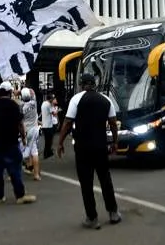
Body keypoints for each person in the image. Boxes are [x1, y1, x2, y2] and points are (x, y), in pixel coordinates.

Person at [57, 73, 121, 230]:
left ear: (81, 84)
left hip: (83, 147)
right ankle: (113, 213)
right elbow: (113, 123)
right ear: (94, 84)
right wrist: (115, 141)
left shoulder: (76, 99)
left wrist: (60, 142)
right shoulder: (106, 100)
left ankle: (92, 218)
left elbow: (67, 122)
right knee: (105, 180)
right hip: (100, 146)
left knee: (86, 183)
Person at [0, 81, 37, 205]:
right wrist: (23, 137)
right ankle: (20, 195)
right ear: (10, 92)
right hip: (11, 141)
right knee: (15, 168)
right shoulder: (13, 105)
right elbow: (20, 123)